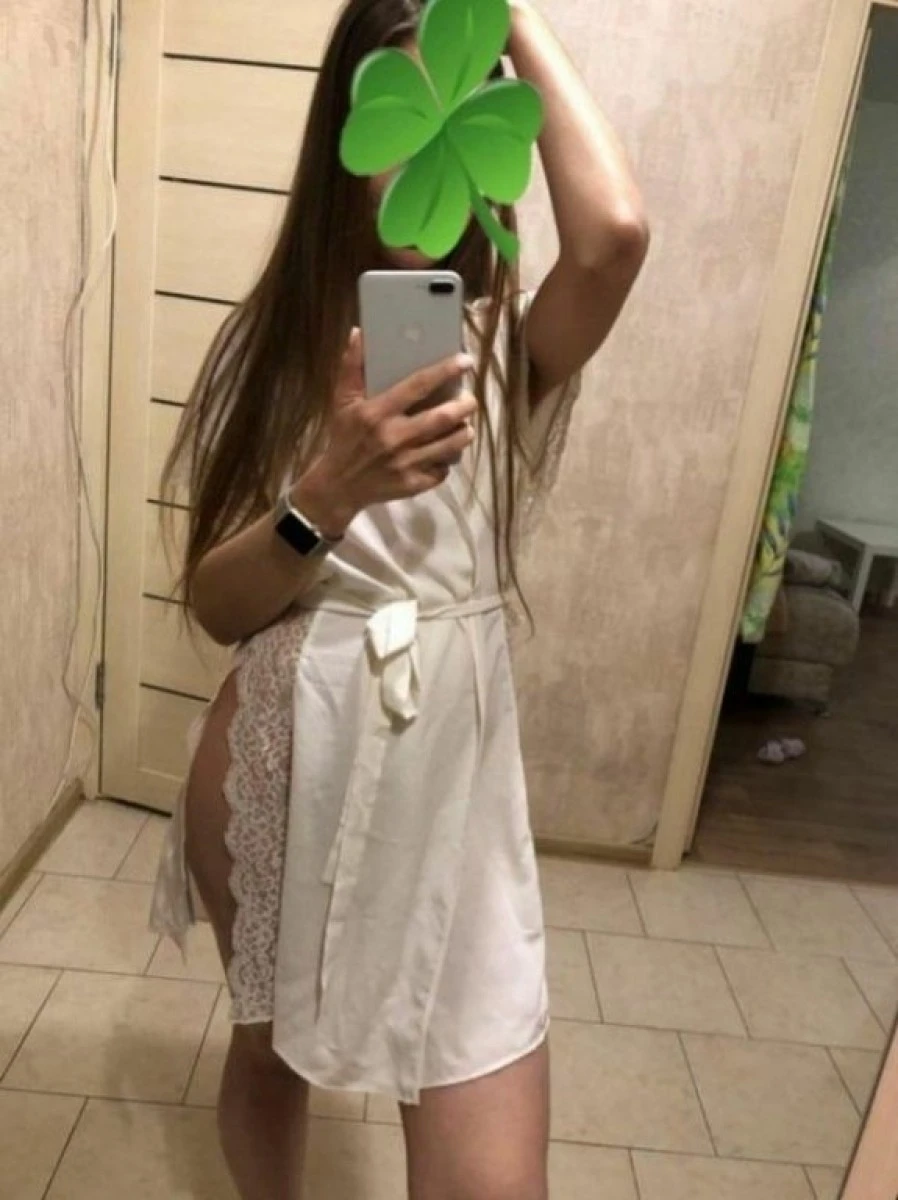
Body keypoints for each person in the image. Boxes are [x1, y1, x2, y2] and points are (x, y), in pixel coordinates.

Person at [150, 1, 648, 1197]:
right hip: (284, 747)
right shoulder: (270, 349)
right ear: (350, 130)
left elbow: (615, 236)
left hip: (453, 783)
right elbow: (218, 605)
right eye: (407, 114)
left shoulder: (501, 348)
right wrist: (326, 493)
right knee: (272, 1050)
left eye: (465, 115)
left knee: (489, 1148)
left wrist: (500, 16)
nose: (433, 147)